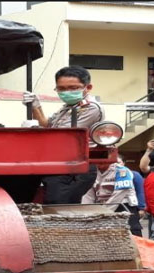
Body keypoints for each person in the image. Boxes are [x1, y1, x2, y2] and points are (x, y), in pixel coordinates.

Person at [22, 66, 104, 204]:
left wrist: (35, 129)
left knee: (58, 203)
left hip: (76, 166)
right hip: (59, 161)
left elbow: (64, 134)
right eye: (61, 89)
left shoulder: (90, 108)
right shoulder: (67, 107)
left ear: (88, 87)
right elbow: (47, 124)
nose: (67, 92)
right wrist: (35, 106)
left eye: (73, 88)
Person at [81, 157, 143, 236]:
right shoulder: (91, 172)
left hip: (123, 206)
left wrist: (104, 212)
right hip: (101, 207)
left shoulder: (121, 170)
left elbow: (119, 193)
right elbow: (88, 195)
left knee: (132, 234)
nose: (100, 163)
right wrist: (86, 213)